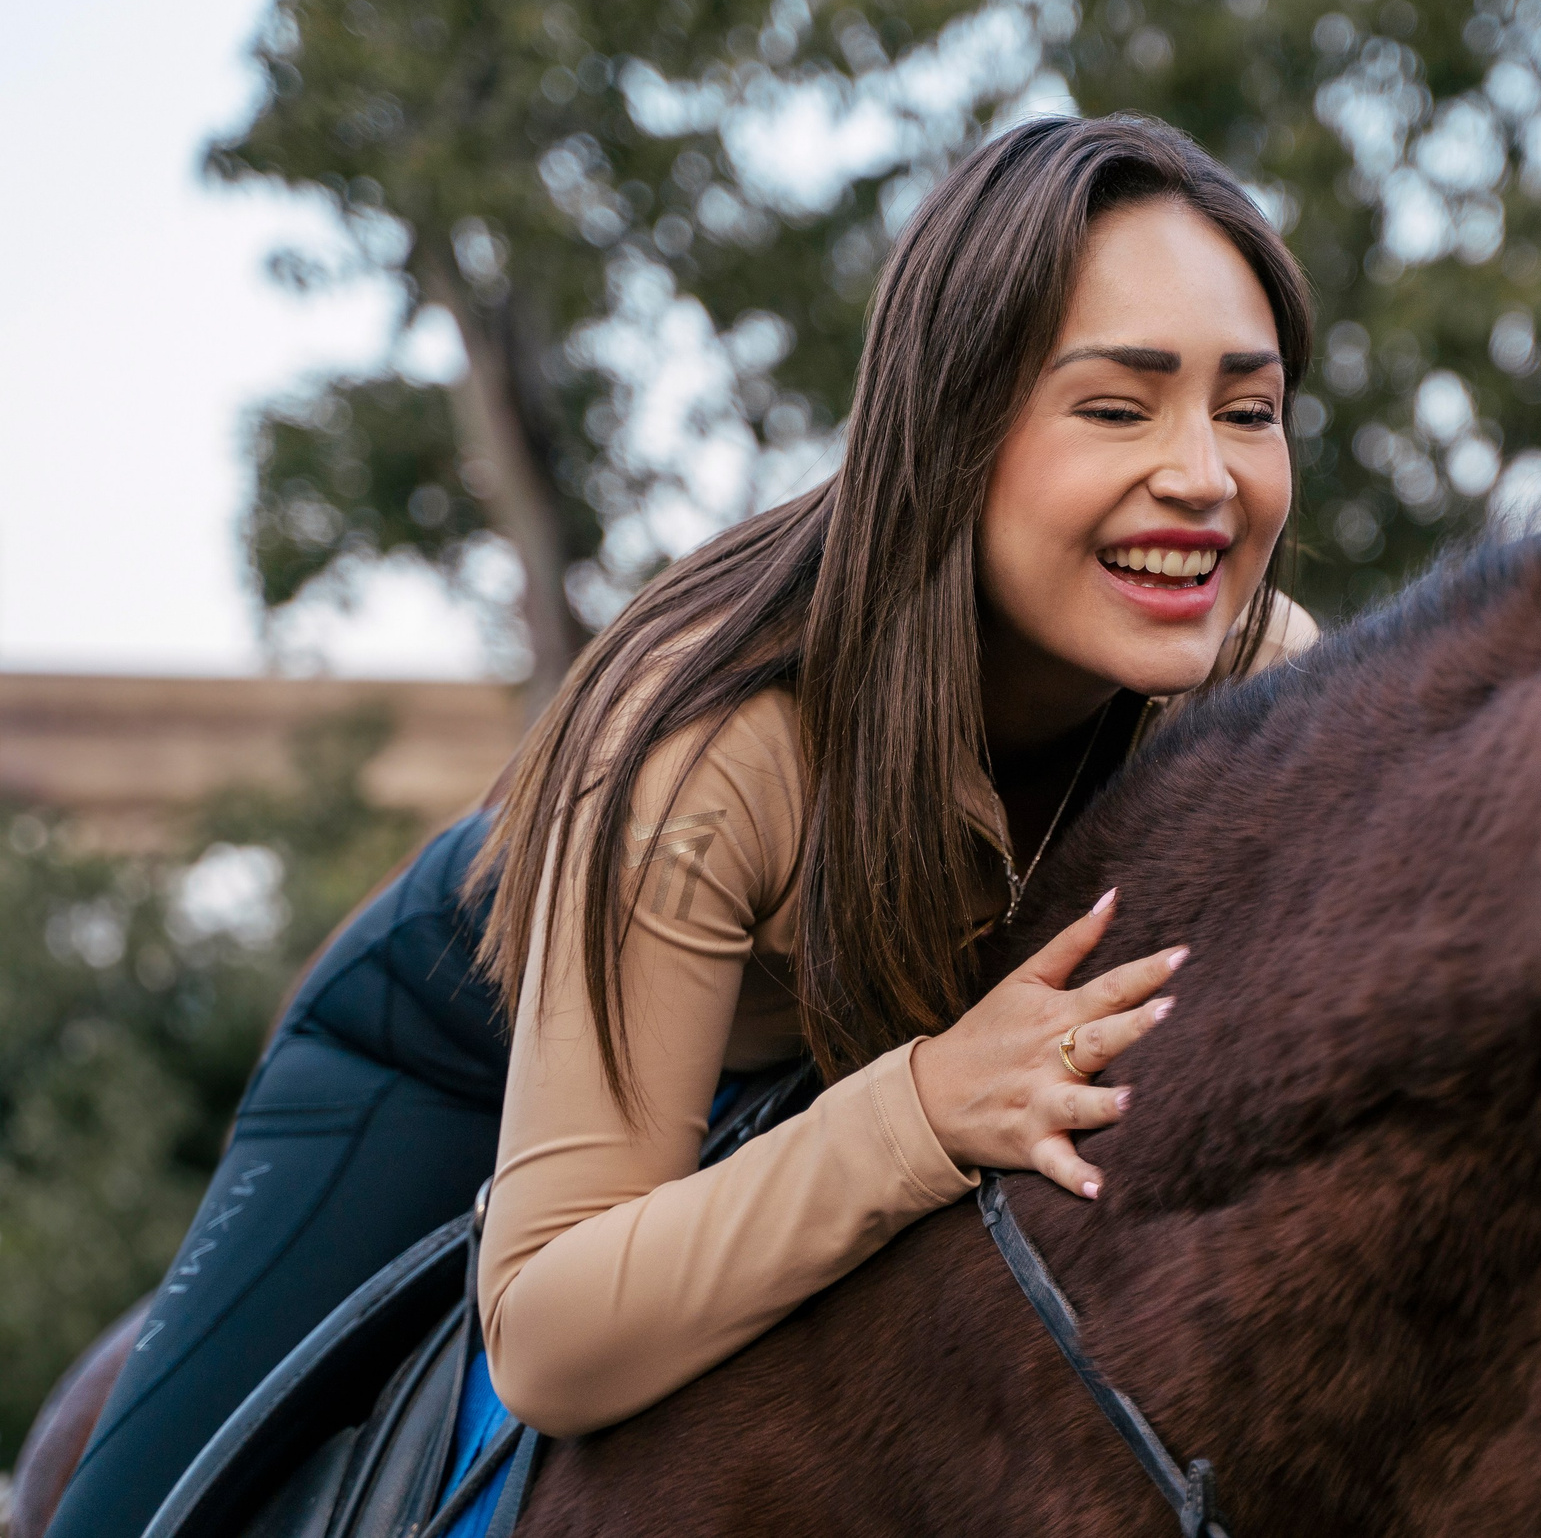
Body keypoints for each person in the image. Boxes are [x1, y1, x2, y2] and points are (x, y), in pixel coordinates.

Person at [47, 113, 1315, 1533]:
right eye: (1118, 406)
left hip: (828, 1057)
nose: (1204, 474)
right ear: (955, 428)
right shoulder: (712, 739)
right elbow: (546, 1333)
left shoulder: (1264, 683)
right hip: (452, 1048)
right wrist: (922, 1107)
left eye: (1249, 410)